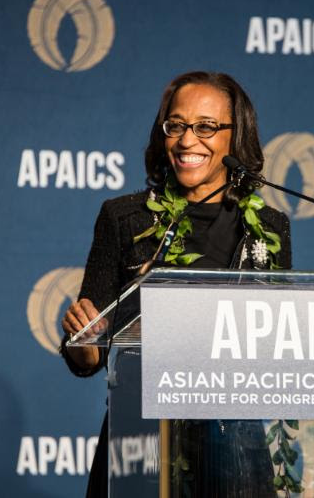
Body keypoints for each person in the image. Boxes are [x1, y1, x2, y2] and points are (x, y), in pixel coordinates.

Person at [59, 71, 292, 497]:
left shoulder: (268, 227)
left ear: (235, 136)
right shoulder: (124, 217)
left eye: (206, 127)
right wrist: (85, 341)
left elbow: (276, 348)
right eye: (177, 125)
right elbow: (87, 353)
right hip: (143, 436)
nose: (187, 141)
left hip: (234, 444)